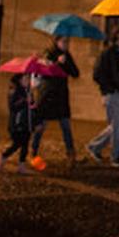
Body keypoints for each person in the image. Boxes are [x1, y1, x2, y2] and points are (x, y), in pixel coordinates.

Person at [86, 28, 119, 168]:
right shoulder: (108, 53)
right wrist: (108, 89)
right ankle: (116, 156)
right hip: (114, 93)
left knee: (116, 125)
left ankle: (94, 146)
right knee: (117, 126)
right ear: (118, 35)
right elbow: (97, 74)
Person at [31, 35, 79, 163]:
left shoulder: (67, 55)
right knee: (41, 126)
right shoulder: (48, 53)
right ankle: (33, 151)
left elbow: (75, 73)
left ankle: (71, 153)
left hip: (61, 96)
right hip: (48, 95)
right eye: (64, 41)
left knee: (65, 125)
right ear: (57, 42)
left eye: (68, 41)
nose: (66, 44)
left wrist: (66, 62)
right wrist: (57, 63)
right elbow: (46, 71)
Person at [0, 72, 35, 174]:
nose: (28, 81)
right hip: (17, 124)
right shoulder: (14, 91)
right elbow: (13, 107)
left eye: (28, 79)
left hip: (27, 123)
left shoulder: (28, 91)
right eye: (25, 78)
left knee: (25, 145)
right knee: (17, 143)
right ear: (19, 80)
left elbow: (31, 107)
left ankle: (21, 166)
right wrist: (24, 101)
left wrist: (32, 104)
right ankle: (4, 156)